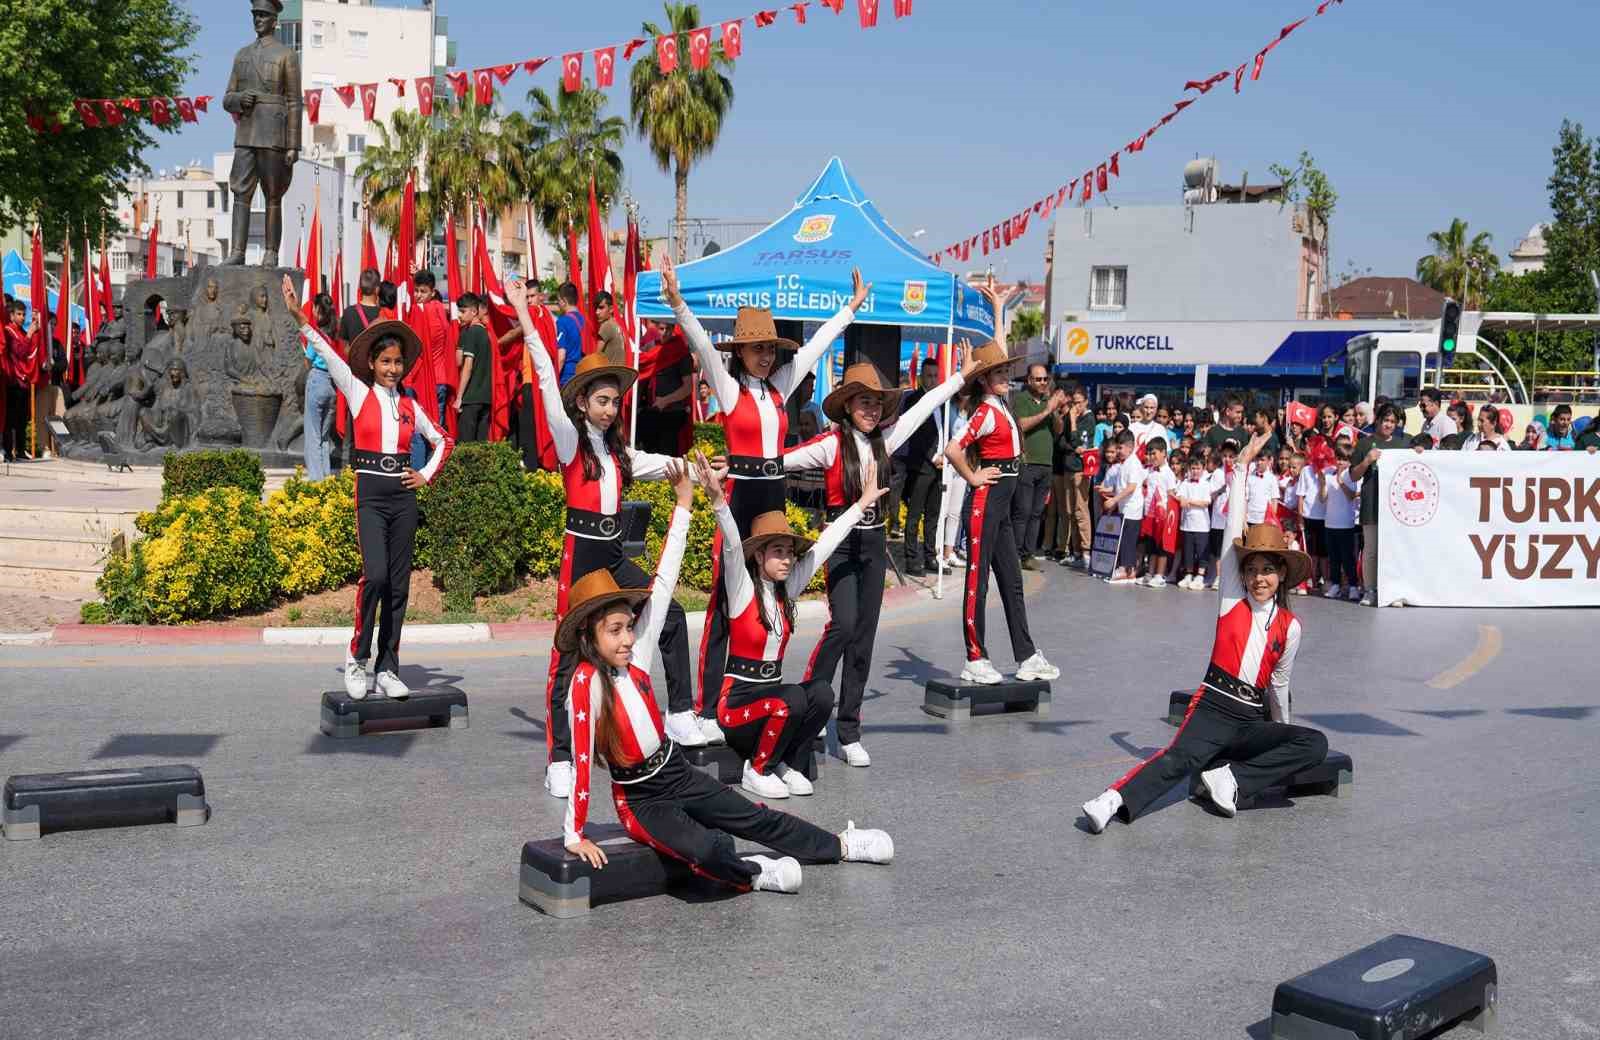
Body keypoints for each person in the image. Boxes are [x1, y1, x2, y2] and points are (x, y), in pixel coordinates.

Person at [558, 456, 895, 893]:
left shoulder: (637, 654)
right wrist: (573, 834)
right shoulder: (585, 685)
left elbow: (664, 582)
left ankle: (843, 844)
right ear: (590, 633)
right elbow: (582, 762)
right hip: (640, 799)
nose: (627, 639)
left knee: (753, 817)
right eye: (615, 631)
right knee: (708, 848)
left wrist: (683, 505)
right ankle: (755, 873)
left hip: (674, 771)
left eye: (628, 627)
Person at [507, 275, 705, 798]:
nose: (611, 408)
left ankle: (681, 711)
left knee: (672, 616)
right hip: (582, 552)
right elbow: (547, 377)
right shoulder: (572, 443)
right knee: (566, 653)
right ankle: (559, 757)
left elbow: (661, 465)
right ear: (583, 404)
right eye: (601, 400)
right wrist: (526, 318)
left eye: (615, 401)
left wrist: (701, 468)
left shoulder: (619, 452)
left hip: (615, 552)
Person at [658, 252, 867, 742]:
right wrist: (677, 302)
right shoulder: (727, 387)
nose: (765, 355)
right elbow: (700, 345)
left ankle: (758, 691)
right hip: (740, 496)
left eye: (769, 347)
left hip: (772, 495)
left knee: (772, 595)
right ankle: (708, 709)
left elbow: (815, 347)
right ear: (741, 351)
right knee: (724, 600)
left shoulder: (781, 387)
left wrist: (850, 309)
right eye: (755, 348)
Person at [1080, 427, 1329, 833]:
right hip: (1215, 706)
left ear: (1282, 574)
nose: (1260, 577)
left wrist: (1282, 731)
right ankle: (1111, 801)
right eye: (1253, 570)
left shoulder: (1291, 626)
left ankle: (1228, 779)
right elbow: (1233, 528)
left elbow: (1279, 686)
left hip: (1252, 719)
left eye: (1268, 569)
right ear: (1242, 575)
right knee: (1177, 760)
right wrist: (1243, 466)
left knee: (1313, 743)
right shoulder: (1233, 600)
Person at [782, 352, 970, 767]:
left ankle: (848, 731)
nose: (870, 410)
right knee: (842, 627)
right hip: (840, 543)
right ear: (847, 405)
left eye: (876, 403)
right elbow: (779, 460)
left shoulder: (887, 439)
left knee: (864, 639)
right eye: (863, 401)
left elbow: (923, 407)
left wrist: (960, 377)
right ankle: (809, 712)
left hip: (873, 544)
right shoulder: (830, 445)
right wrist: (737, 466)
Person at [283, 274, 452, 702]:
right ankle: (358, 658)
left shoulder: (413, 405)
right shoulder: (358, 392)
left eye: (398, 363)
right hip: (371, 495)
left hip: (404, 496)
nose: (393, 369)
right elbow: (326, 349)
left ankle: (388, 667)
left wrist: (425, 475)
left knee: (399, 586)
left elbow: (444, 441)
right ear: (373, 365)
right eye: (386, 362)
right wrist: (299, 316)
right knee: (374, 577)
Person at [700, 452, 882, 798]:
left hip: (771, 700)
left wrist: (860, 505)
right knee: (790, 700)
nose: (786, 559)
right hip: (737, 706)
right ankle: (759, 769)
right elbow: (732, 547)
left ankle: (788, 764)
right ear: (758, 556)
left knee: (821, 693)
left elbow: (826, 546)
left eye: (789, 552)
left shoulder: (787, 590)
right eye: (777, 552)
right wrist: (718, 499)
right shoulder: (741, 588)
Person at [943, 292, 1060, 686]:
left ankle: (1026, 655)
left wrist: (998, 312)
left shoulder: (1002, 405)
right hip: (985, 501)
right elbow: (952, 448)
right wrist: (974, 477)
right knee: (977, 579)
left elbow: (998, 352)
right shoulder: (983, 411)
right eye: (997, 375)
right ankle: (975, 657)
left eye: (1006, 373)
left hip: (1003, 504)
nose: (1005, 377)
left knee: (1011, 579)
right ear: (985, 382)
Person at [1347, 403, 1410, 606]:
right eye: (1385, 420)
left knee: (1394, 549)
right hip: (1371, 503)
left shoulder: (1404, 444)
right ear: (1378, 420)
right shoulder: (1365, 443)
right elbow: (1353, 475)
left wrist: (1418, 451)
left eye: (1392, 422)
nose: (1388, 425)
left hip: (1396, 507)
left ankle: (1393, 590)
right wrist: (1366, 461)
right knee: (1371, 550)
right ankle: (1370, 590)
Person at [898, 356, 952, 577]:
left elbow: (944, 430)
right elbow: (917, 435)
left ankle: (930, 555)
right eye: (928, 376)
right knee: (915, 514)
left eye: (935, 376)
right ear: (921, 376)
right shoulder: (914, 400)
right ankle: (912, 558)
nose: (932, 380)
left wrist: (946, 455)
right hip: (922, 465)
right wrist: (933, 457)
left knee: (934, 514)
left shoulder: (942, 400)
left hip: (941, 466)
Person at [1010, 363, 1067, 569]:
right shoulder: (1021, 399)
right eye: (1038, 379)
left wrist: (1058, 412)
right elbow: (1021, 425)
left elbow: (1058, 431)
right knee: (1022, 511)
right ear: (1029, 381)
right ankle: (1014, 555)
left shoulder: (1047, 400)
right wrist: (1047, 409)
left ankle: (1028, 554)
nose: (1043, 383)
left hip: (1046, 464)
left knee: (1036, 513)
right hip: (1027, 463)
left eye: (1045, 379)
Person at [412, 270, 458, 433]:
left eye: (423, 291)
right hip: (441, 379)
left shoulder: (420, 313)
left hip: (424, 380)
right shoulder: (440, 310)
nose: (418, 295)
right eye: (416, 290)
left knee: (420, 433)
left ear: (432, 292)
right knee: (436, 430)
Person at [1099, 430, 1146, 586]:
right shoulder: (1124, 464)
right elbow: (1121, 487)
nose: (1118, 451)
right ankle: (1128, 569)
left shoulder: (1133, 463)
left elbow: (1132, 487)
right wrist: (1108, 493)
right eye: (1117, 448)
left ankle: (1126, 569)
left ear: (1131, 447)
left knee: (1128, 540)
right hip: (1123, 507)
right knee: (1124, 539)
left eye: (1120, 448)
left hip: (1132, 510)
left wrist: (1113, 500)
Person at [301, 292, 339, 480]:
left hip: (317, 381)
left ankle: (316, 482)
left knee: (313, 436)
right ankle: (326, 477)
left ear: (317, 310)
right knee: (324, 437)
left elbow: (308, 360)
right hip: (332, 385)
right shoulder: (335, 333)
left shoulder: (316, 334)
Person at [1056, 385, 1094, 568]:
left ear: (1086, 402)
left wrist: (1072, 421)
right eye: (1073, 403)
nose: (1075, 407)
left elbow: (1079, 441)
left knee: (1081, 511)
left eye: (1079, 403)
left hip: (1080, 470)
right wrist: (1073, 447)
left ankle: (1086, 551)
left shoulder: (1088, 419)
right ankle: (1076, 551)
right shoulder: (1069, 418)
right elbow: (1063, 443)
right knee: (1070, 512)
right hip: (1068, 468)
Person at [1322, 433, 1361, 600]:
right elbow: (1322, 498)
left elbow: (1352, 496)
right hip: (1330, 524)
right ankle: (1336, 585)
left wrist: (1341, 482)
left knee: (1348, 558)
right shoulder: (1328, 475)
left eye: (1344, 459)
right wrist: (1323, 483)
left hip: (1346, 524)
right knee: (1334, 558)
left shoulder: (1352, 476)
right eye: (1338, 458)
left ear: (1349, 461)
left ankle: (1353, 586)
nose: (1340, 462)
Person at [1137, 437, 1177, 587]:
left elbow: (1172, 494)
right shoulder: (1150, 472)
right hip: (1150, 515)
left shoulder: (1169, 474)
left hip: (1163, 516)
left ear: (1164, 453)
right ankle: (1149, 573)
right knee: (1151, 545)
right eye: (1149, 454)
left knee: (1162, 546)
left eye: (1154, 453)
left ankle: (1160, 576)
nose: (1151, 457)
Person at [454, 292, 492, 442]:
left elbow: (466, 366)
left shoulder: (471, 332)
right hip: (486, 398)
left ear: (474, 311)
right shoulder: (486, 332)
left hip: (471, 397)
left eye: (463, 311)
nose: (460, 315)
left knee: (466, 447)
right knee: (482, 447)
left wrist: (459, 397)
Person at [1175, 453, 1213, 590]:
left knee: (1202, 550)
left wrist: (1189, 501)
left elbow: (1205, 503)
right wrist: (1183, 500)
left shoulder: (1205, 484)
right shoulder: (1185, 483)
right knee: (1188, 550)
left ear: (1203, 468)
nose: (1195, 471)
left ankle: (1200, 576)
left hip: (1202, 525)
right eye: (1193, 468)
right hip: (1187, 524)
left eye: (1198, 468)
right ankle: (1188, 574)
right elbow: (1179, 497)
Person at [553, 283, 585, 385]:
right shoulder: (585, 320)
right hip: (583, 374)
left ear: (564, 301)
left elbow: (561, 356)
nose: (557, 303)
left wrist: (553, 380)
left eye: (558, 300)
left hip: (566, 378)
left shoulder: (562, 321)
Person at [593, 291, 625, 364]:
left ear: (611, 309)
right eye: (596, 308)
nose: (597, 312)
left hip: (609, 374)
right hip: (618, 373)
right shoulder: (617, 325)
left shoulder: (606, 326)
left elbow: (595, 357)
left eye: (601, 308)